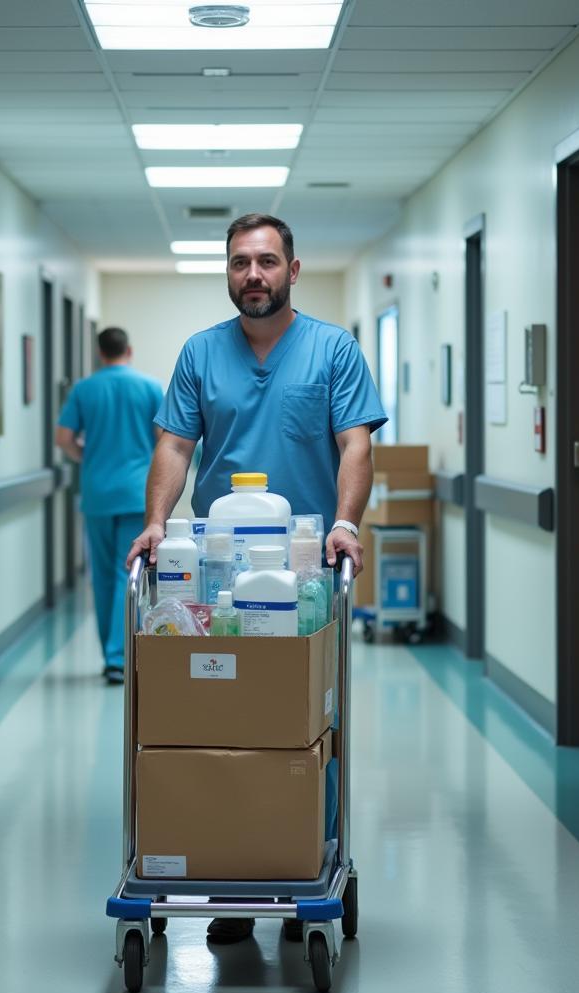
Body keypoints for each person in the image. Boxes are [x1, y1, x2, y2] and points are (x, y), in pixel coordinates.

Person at [125, 213, 387, 944]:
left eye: (267, 261)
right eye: (241, 262)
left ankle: (301, 854)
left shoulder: (333, 351)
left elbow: (355, 444)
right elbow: (175, 445)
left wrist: (344, 523)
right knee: (221, 720)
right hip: (218, 570)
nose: (254, 275)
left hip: (307, 572)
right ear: (228, 272)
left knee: (311, 721)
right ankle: (233, 873)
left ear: (293, 271)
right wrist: (156, 522)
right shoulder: (201, 354)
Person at [57, 327, 163, 684]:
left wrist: (87, 457)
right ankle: (123, 655)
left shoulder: (84, 390)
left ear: (100, 353)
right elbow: (164, 440)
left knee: (102, 577)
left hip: (98, 494)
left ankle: (110, 656)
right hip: (137, 493)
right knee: (128, 573)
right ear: (128, 350)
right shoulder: (149, 387)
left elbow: (64, 438)